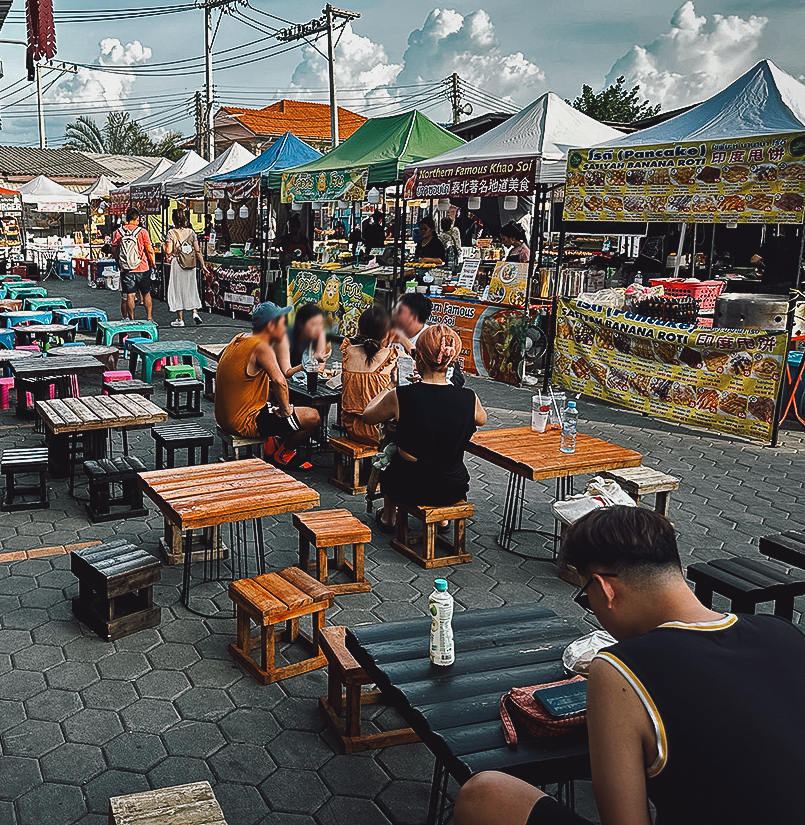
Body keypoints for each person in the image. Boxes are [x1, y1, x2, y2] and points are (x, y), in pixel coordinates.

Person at [453, 505, 805, 825]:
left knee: (485, 793)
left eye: (586, 599)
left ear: (605, 590)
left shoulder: (618, 669)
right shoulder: (785, 633)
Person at [363, 325, 486, 540]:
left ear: (418, 358)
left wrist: (389, 385)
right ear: (452, 361)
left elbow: (367, 415)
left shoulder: (401, 395)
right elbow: (481, 419)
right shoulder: (470, 397)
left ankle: (388, 519)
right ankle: (444, 520)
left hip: (411, 487)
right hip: (453, 486)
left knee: (390, 456)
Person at [214, 301, 321, 468]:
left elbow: (221, 359)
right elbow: (280, 381)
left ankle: (274, 442)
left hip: (223, 417)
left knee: (275, 399)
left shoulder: (239, 337)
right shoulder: (261, 346)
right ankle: (284, 454)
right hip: (244, 421)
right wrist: (286, 411)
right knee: (313, 416)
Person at [340, 306, 398, 446]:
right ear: (386, 334)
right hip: (379, 433)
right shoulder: (393, 356)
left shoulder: (347, 352)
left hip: (351, 428)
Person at [111, 207, 157, 320]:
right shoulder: (142, 232)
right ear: (137, 219)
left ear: (126, 218)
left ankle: (131, 319)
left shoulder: (118, 232)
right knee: (146, 293)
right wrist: (153, 263)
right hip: (142, 267)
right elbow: (150, 250)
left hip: (126, 269)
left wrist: (119, 262)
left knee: (130, 295)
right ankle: (149, 318)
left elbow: (113, 250)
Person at [165, 208, 204, 327]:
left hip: (178, 263)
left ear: (174, 219)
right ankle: (195, 312)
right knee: (191, 287)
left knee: (178, 290)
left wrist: (163, 245)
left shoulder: (171, 233)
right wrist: (202, 264)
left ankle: (180, 319)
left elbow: (169, 250)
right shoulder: (191, 232)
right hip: (190, 264)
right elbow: (197, 250)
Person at [277, 302, 330, 376]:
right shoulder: (284, 338)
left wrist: (318, 359)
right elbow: (286, 372)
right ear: (301, 323)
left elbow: (320, 368)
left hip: (302, 382)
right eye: (314, 324)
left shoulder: (318, 333)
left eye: (320, 324)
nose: (318, 329)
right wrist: (307, 365)